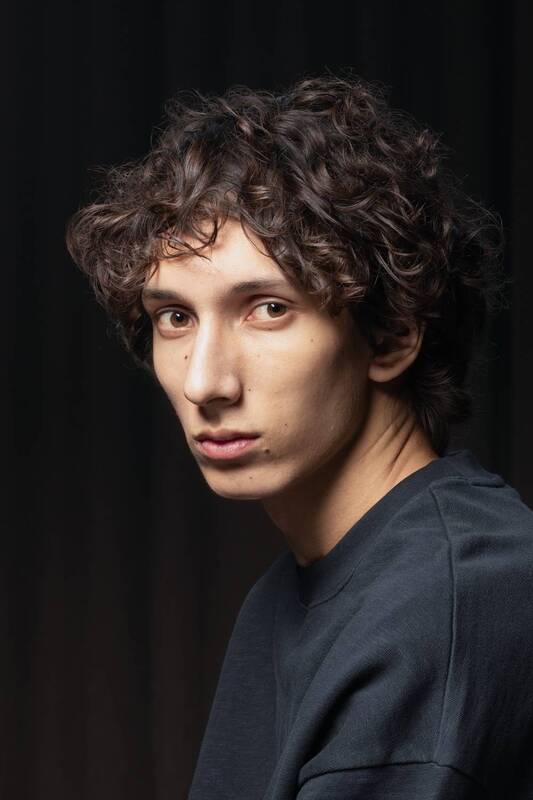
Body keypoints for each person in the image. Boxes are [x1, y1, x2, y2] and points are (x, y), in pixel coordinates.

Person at [66, 72, 533, 799]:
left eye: (268, 308)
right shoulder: (298, 592)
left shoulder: (444, 605)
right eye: (175, 318)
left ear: (391, 335)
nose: (204, 383)